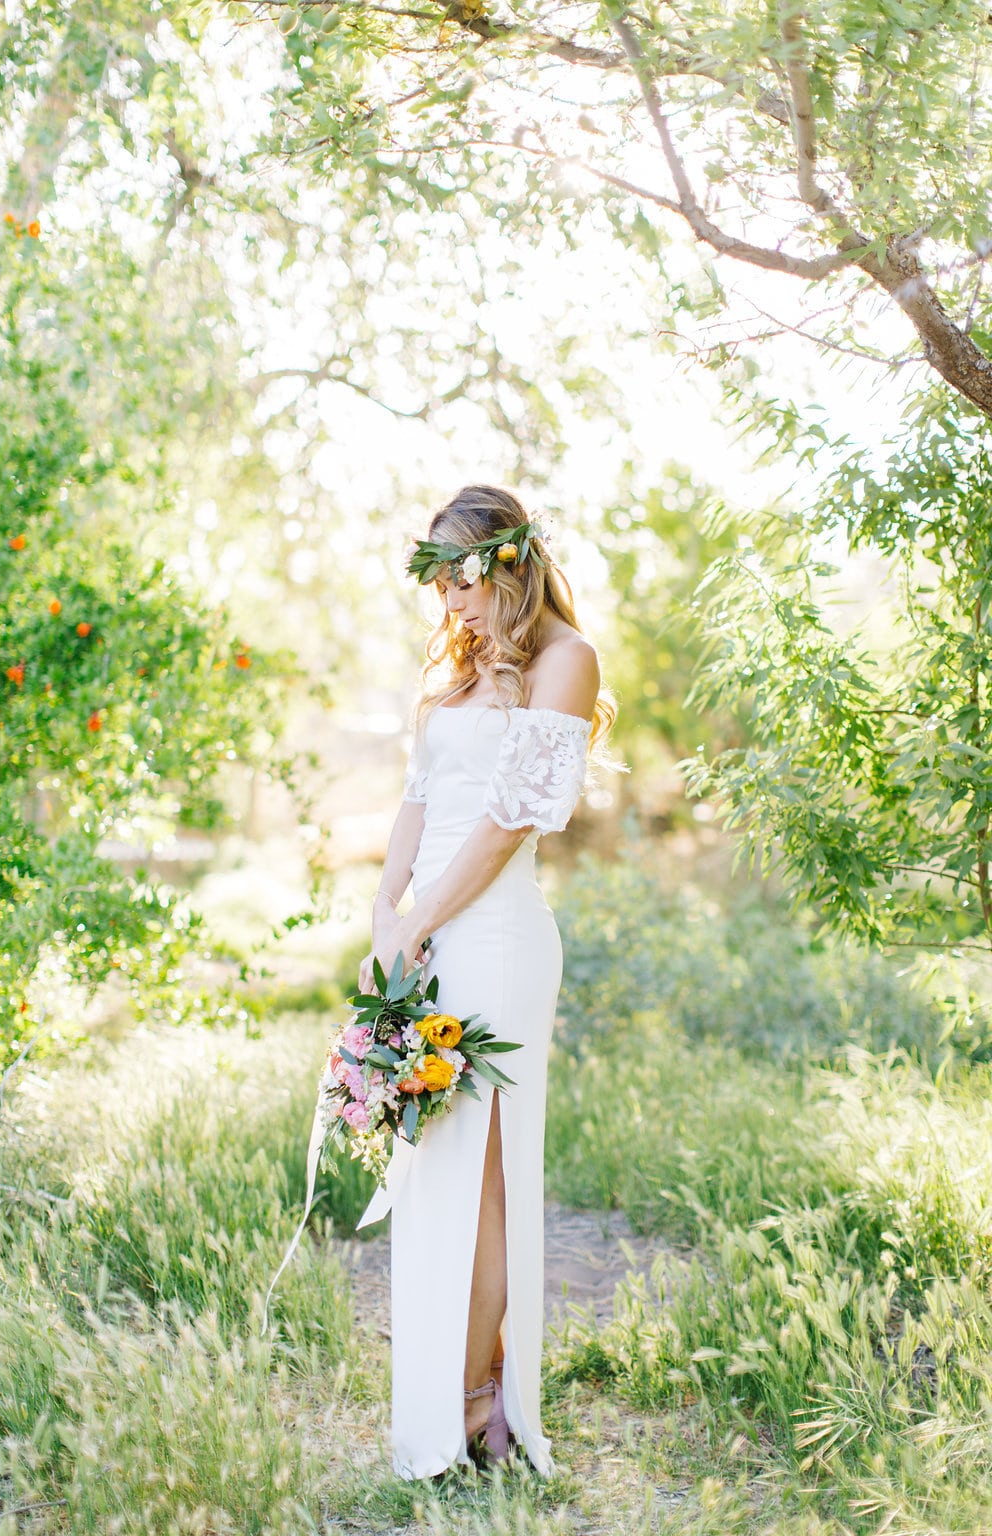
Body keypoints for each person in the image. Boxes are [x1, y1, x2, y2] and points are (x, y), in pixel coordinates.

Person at [355, 483, 618, 1481]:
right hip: (423, 945)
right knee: (433, 1172)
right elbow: (417, 807)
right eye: (437, 588)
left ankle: (480, 1401)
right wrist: (388, 920)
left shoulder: (566, 663)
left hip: (495, 943)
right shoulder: (458, 676)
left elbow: (510, 820)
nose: (447, 608)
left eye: (458, 583)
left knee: (486, 1185)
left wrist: (422, 918)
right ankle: (454, 1394)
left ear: (507, 568)